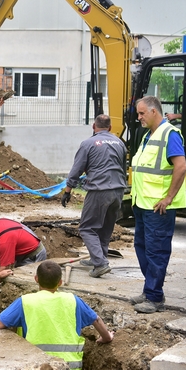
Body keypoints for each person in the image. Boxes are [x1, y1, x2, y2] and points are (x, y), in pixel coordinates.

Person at [0, 260, 114, 368]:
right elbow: (96, 320)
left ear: (36, 279)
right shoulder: (73, 300)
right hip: (70, 366)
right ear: (60, 282)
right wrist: (106, 337)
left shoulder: (25, 301)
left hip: (37, 365)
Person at [131, 96, 186, 314]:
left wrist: (168, 198)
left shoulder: (169, 134)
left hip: (158, 207)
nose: (139, 117)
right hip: (142, 204)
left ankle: (154, 297)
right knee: (143, 248)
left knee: (156, 252)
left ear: (155, 111)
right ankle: (150, 290)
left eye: (142, 113)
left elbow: (180, 167)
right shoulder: (148, 135)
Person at [61, 114, 127, 278]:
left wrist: (68, 191)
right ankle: (99, 257)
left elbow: (77, 169)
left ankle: (100, 263)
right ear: (110, 128)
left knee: (87, 227)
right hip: (118, 190)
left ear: (93, 127)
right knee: (105, 227)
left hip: (99, 190)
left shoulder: (88, 143)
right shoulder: (120, 143)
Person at [0, 218, 47, 299]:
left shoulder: (4, 242)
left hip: (35, 255)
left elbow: (3, 269)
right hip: (26, 251)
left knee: (29, 286)